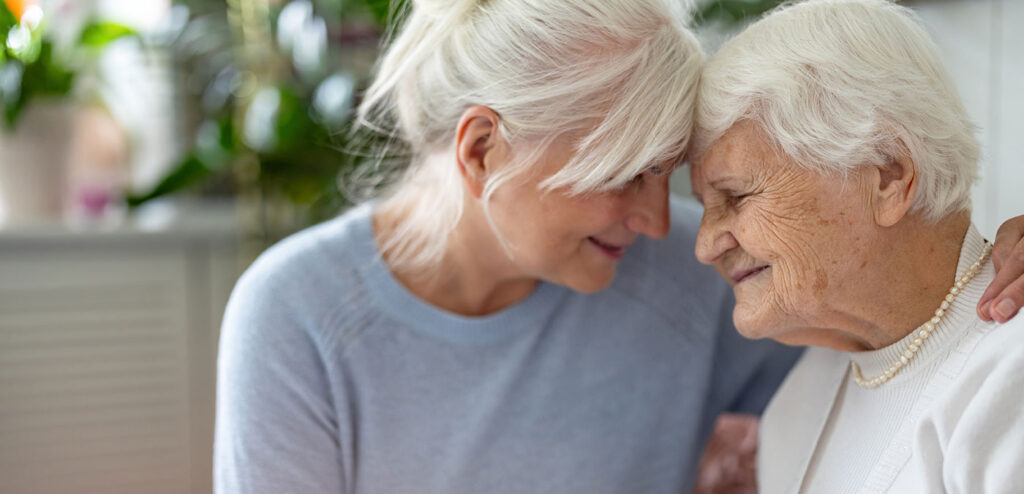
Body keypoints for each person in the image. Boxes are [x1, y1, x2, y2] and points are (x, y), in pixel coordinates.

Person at [214, 0, 1024, 492]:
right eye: (621, 175)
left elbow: (906, 324)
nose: (658, 222)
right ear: (482, 151)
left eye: (665, 176)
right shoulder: (298, 315)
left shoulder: (687, 271)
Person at [688, 1, 1024, 492]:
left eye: (736, 196)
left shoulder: (1008, 376)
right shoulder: (798, 397)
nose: (704, 246)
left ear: (888, 174)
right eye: (703, 205)